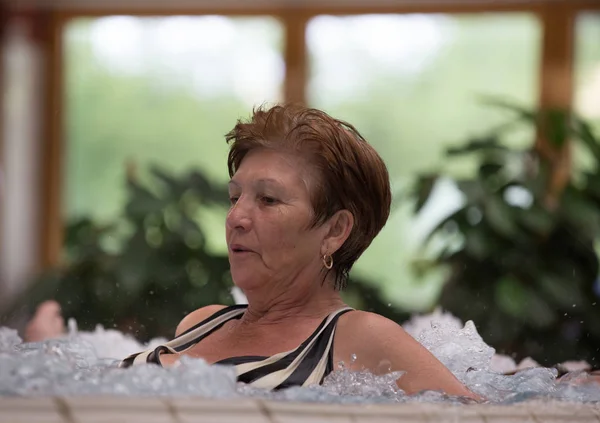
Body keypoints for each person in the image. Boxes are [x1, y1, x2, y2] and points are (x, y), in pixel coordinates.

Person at [118, 104, 478, 398]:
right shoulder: (200, 323)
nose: (236, 217)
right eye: (234, 197)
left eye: (268, 199)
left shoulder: (361, 338)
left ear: (335, 231)